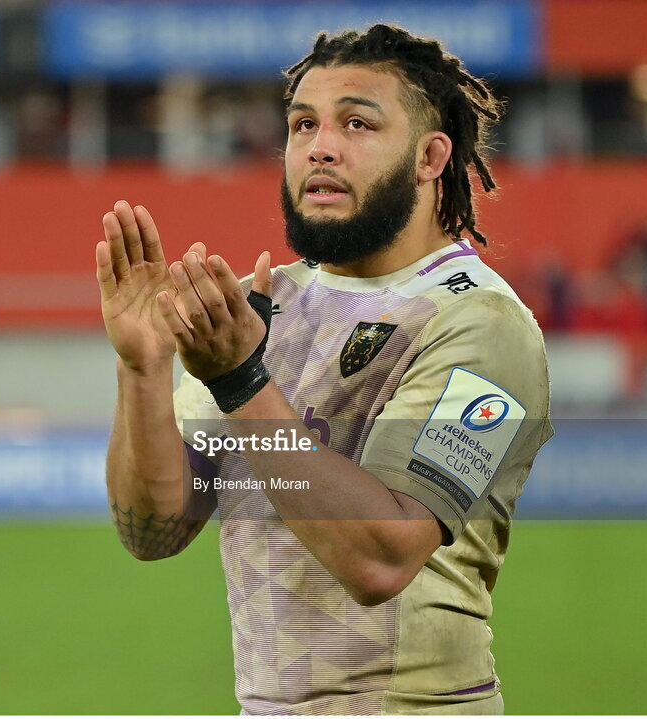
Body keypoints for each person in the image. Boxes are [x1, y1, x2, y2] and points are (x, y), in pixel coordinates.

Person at [95, 24, 552, 715]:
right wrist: (143, 370)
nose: (321, 146)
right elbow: (154, 529)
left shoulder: (483, 324)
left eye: (357, 123)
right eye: (302, 123)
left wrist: (244, 382)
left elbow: (382, 558)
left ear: (431, 157)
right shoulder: (264, 308)